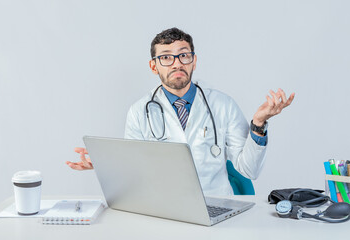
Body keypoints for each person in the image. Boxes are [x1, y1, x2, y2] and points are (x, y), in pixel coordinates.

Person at [66, 27, 295, 195]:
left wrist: (258, 124)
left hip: (215, 204)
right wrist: (105, 165)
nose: (177, 63)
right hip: (164, 208)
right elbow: (135, 172)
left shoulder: (223, 105)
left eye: (183, 55)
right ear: (153, 66)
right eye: (166, 57)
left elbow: (249, 170)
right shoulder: (139, 111)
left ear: (193, 61)